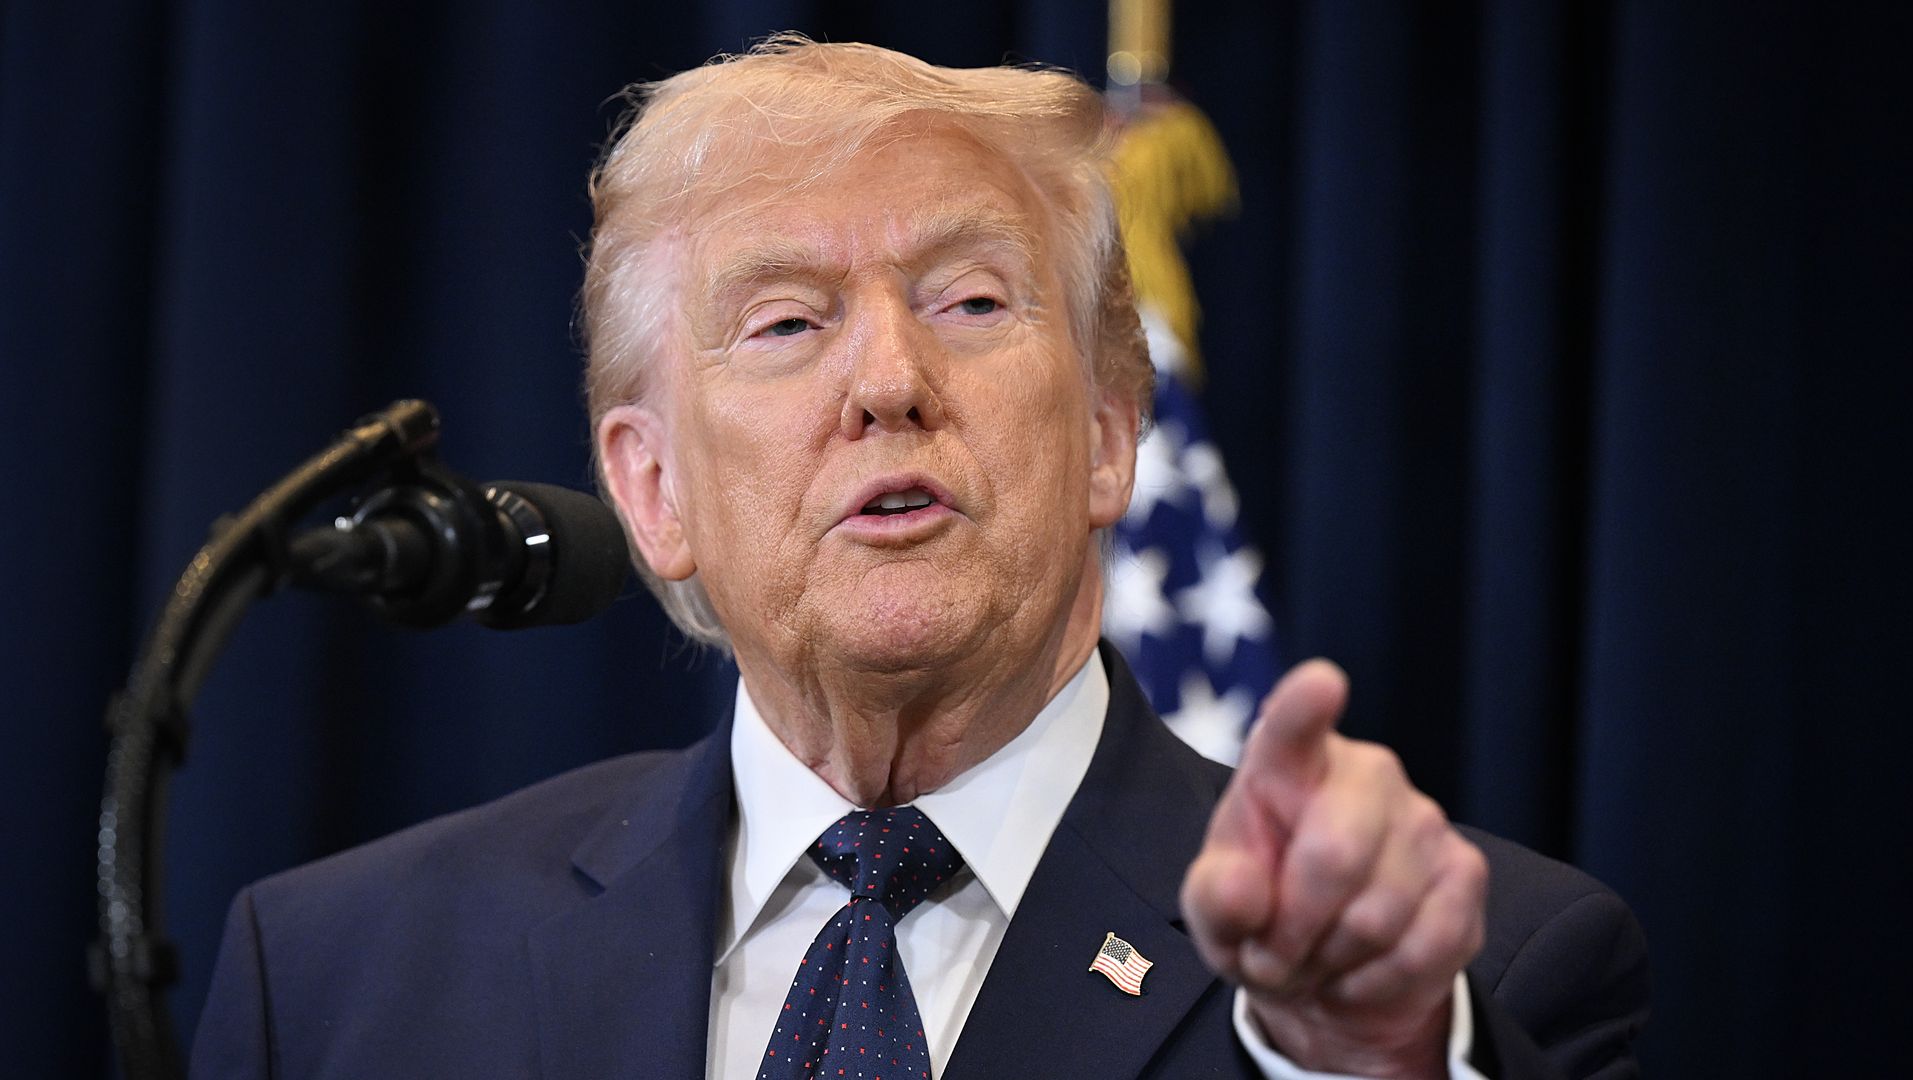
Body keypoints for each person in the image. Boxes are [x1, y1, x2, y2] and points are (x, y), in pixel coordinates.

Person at [193, 37, 1647, 1079]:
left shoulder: (1466, 987)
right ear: (651, 489)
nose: (888, 378)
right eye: (786, 322)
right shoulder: (336, 981)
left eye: (967, 300)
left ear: (1104, 434)